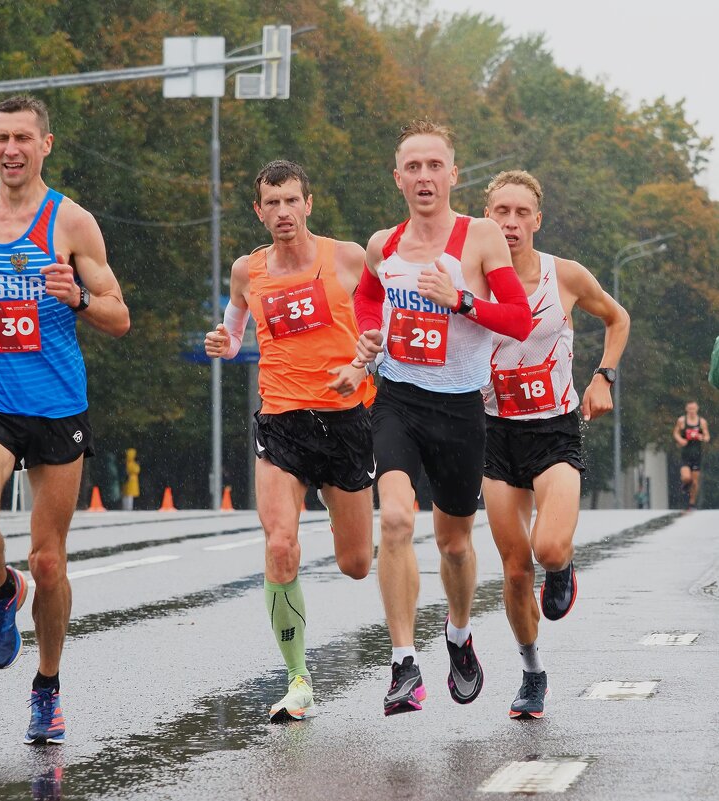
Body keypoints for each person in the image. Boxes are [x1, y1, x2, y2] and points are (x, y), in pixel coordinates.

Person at [0, 95, 129, 744]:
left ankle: (46, 686)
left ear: (45, 145)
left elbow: (119, 314)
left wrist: (81, 297)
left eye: (21, 138)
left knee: (49, 562)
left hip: (56, 408)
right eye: (0, 138)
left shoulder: (71, 223)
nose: (10, 150)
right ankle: (0, 588)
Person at [352, 121, 532, 716]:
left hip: (459, 408)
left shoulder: (480, 237)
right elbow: (366, 297)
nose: (424, 177)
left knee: (454, 544)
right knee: (395, 519)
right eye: (413, 167)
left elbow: (519, 319)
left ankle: (458, 634)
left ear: (453, 174)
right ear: (397, 178)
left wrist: (461, 301)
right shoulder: (383, 244)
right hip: (398, 400)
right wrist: (369, 334)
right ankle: (403, 662)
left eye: (435, 166)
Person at [204, 160, 376, 722]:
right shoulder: (247, 270)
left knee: (356, 564)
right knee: (280, 546)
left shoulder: (347, 258)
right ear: (259, 211)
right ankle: (298, 678)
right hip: (281, 421)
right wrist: (224, 343)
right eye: (272, 203)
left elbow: (382, 326)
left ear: (308, 204)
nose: (282, 212)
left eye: (291, 201)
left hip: (345, 421)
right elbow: (234, 332)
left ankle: (335, 506)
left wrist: (362, 362)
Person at [480, 170, 630, 719]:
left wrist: (603, 377)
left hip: (554, 431)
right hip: (494, 434)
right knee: (516, 569)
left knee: (545, 550)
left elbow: (617, 318)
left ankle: (562, 564)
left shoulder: (563, 275)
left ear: (537, 220)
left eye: (522, 213)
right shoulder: (468, 278)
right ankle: (532, 672)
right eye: (501, 212)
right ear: (486, 217)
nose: (511, 222)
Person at [673, 401, 710, 510]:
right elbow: (675, 433)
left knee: (695, 482)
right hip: (685, 455)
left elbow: (707, 436)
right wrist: (681, 440)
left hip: (697, 455)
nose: (692, 411)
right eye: (690, 409)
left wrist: (701, 437)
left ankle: (692, 503)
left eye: (693, 409)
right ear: (686, 409)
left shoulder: (702, 422)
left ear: (697, 409)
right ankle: (685, 484)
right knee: (686, 477)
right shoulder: (682, 420)